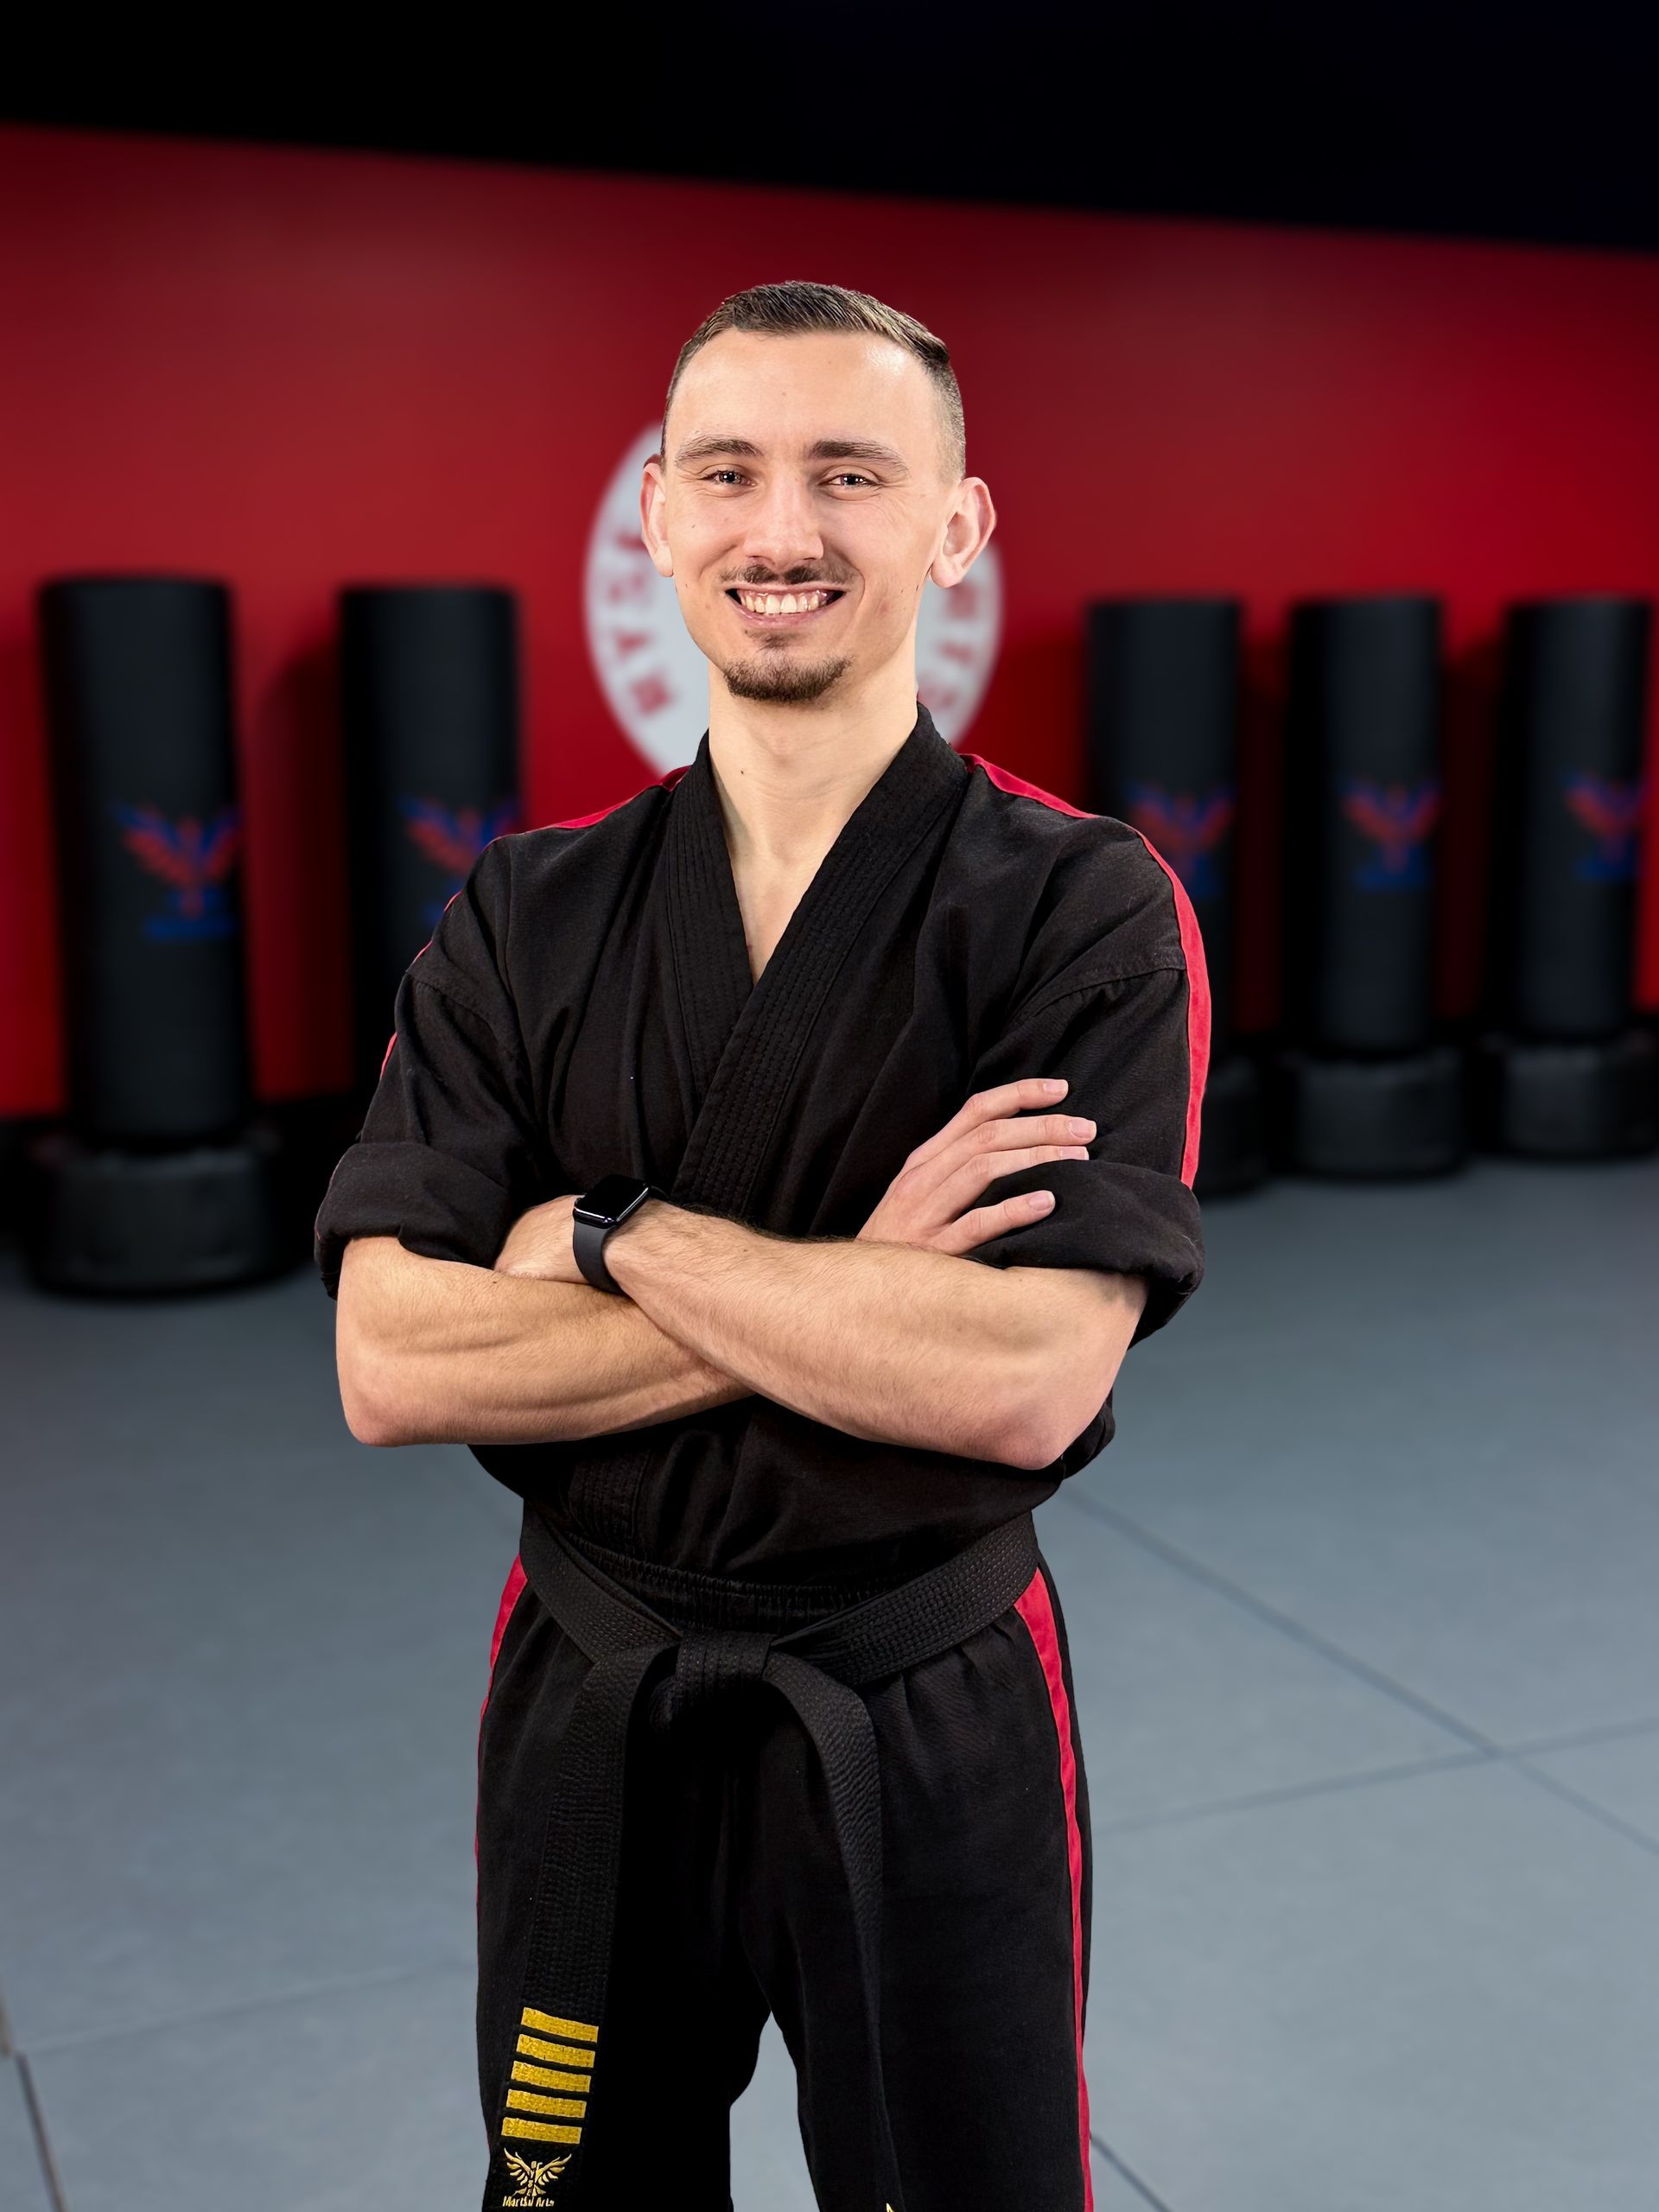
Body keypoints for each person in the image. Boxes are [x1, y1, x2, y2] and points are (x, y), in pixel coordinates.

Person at [315, 279, 1209, 2212]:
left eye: (850, 473)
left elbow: (1024, 1372)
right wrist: (849, 1279)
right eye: (727, 470)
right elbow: (392, 1359)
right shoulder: (526, 912)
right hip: (592, 1684)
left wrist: (606, 1233)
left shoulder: (1077, 908)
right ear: (656, 511)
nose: (780, 528)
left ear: (954, 528)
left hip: (922, 1693)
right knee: (573, 2190)